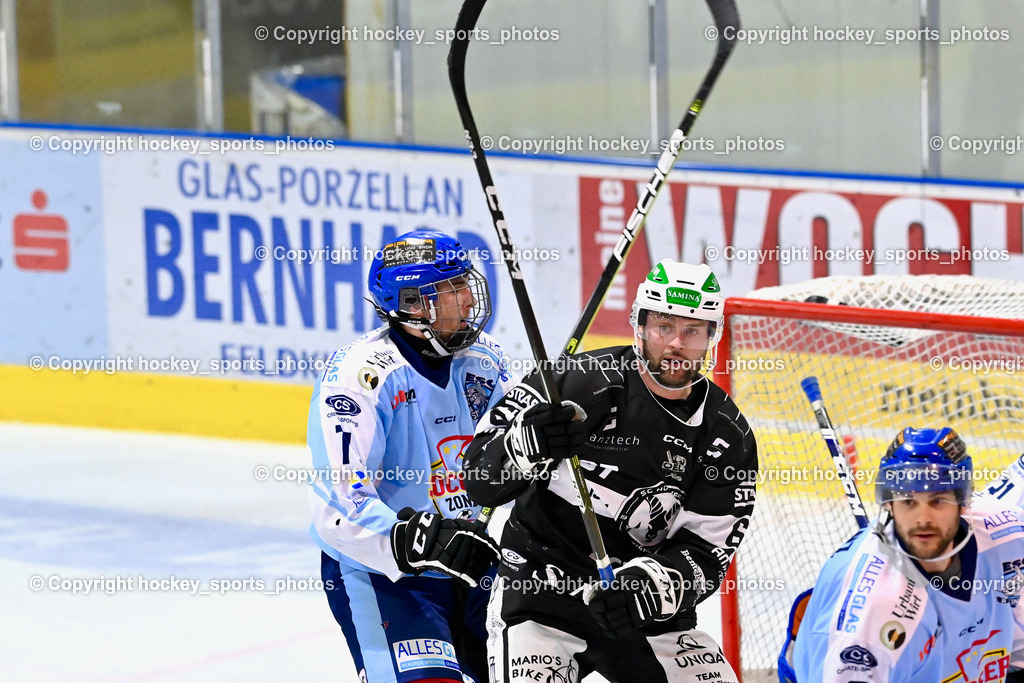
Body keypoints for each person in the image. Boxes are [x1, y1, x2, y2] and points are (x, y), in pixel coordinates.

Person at [463, 259, 758, 683]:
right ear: (639, 326)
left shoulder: (727, 435)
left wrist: (647, 588)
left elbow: (708, 554)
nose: (676, 343)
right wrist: (523, 446)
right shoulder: (576, 382)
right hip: (539, 598)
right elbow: (477, 479)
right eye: (664, 327)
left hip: (641, 613)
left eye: (692, 331)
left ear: (712, 337)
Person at [306, 229, 516, 683]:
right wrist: (415, 541)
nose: (467, 300)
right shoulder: (358, 376)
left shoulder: (485, 358)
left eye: (465, 284)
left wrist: (541, 435)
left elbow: (514, 462)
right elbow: (339, 509)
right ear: (413, 304)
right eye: (453, 288)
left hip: (476, 562)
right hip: (390, 574)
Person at [787, 427, 1024, 683]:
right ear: (889, 503)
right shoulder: (874, 618)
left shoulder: (1007, 534)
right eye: (908, 501)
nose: (923, 519)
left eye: (938, 500)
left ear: (963, 501)